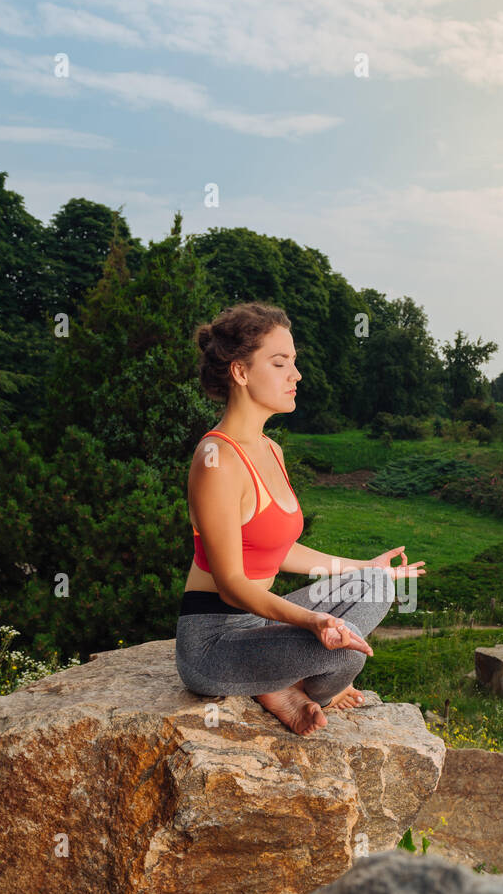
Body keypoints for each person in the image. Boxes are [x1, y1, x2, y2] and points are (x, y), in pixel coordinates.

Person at [176, 301, 426, 736]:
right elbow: (233, 585)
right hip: (214, 643)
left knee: (376, 588)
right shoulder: (216, 460)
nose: (296, 375)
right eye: (280, 363)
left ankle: (278, 681)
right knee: (342, 654)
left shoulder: (271, 450)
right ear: (240, 372)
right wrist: (314, 621)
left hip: (261, 623)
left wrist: (363, 567)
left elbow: (278, 549)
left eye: (294, 362)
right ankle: (284, 686)